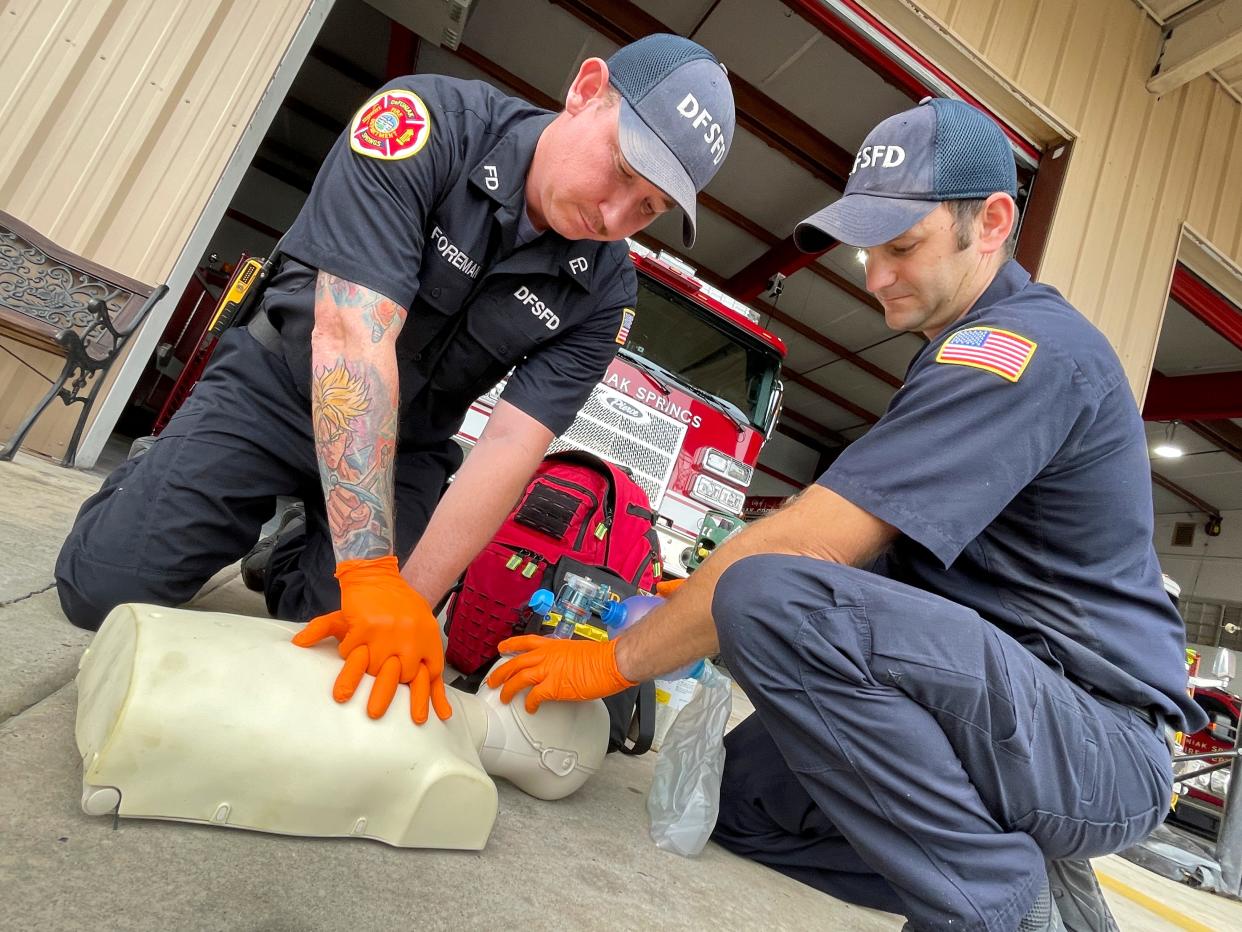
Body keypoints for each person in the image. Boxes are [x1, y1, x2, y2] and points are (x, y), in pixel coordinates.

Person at [486, 97, 1205, 930]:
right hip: (1001, 710)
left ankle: (995, 894)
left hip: (1092, 742)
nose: (876, 276)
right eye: (871, 249)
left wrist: (618, 661)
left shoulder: (1018, 351)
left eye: (903, 246)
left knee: (763, 594)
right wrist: (682, 605)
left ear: (994, 221)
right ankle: (1013, 859)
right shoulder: (958, 356)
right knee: (741, 799)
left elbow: (809, 549)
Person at [55, 34, 736, 726]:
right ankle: (157, 476)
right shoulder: (425, 125)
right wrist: (371, 573)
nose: (615, 217)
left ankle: (293, 548)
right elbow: (352, 337)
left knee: (339, 652)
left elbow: (508, 447)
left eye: (647, 208)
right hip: (280, 387)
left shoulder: (606, 293)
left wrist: (406, 603)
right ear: (585, 90)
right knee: (101, 593)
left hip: (410, 445)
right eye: (622, 171)